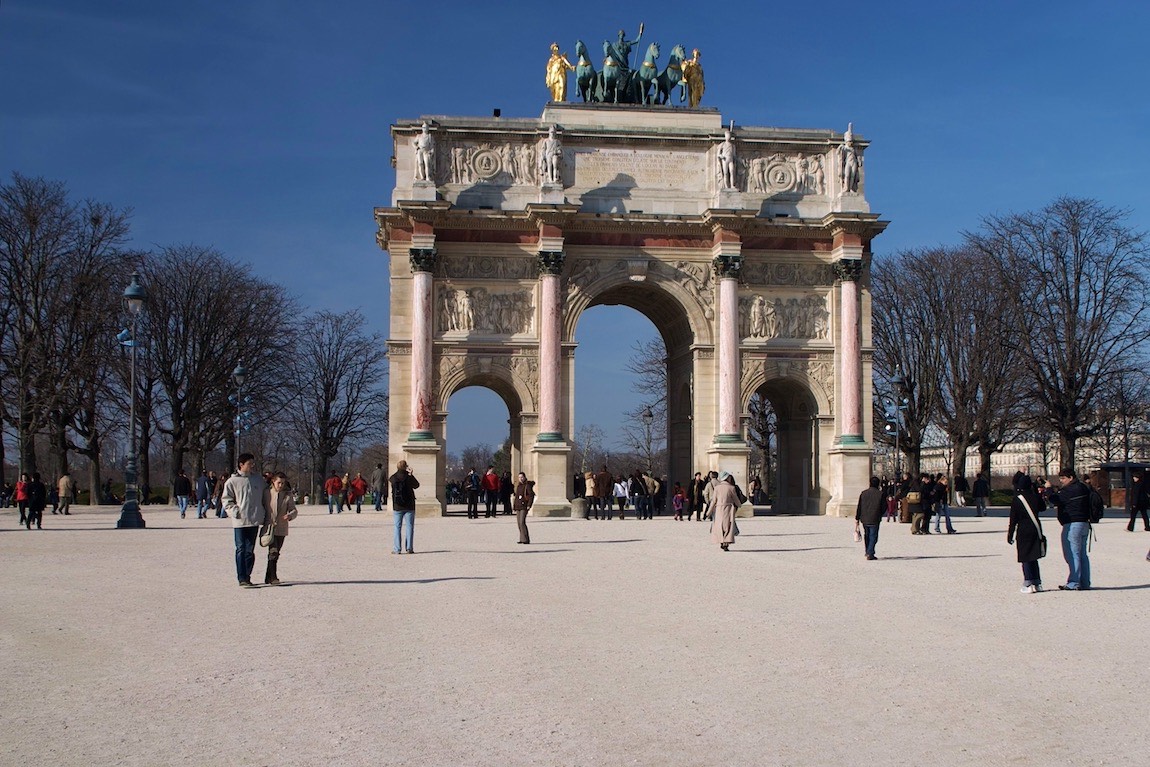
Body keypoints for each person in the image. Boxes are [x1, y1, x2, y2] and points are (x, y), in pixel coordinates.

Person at [1042, 468, 1092, 590]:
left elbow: (1055, 500)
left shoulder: (1070, 489)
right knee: (1082, 554)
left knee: (1071, 553)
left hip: (1072, 523)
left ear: (1071, 478)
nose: (1061, 481)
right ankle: (1084, 582)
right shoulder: (1083, 487)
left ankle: (1074, 582)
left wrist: (1048, 489)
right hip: (1085, 523)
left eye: (1063, 478)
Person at [223, 453, 268, 588]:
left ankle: (247, 575)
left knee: (250, 550)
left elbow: (267, 495)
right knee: (240, 548)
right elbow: (226, 499)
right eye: (249, 463)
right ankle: (241, 577)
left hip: (254, 519)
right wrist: (234, 511)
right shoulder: (232, 481)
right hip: (240, 520)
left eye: (253, 463)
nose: (252, 466)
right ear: (241, 465)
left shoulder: (258, 480)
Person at [1008, 476, 1047, 593]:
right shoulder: (1035, 497)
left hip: (1023, 530)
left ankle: (1028, 583)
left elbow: (1013, 519)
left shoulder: (1017, 499)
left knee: (1025, 556)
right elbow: (1043, 508)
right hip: (1036, 528)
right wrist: (1037, 493)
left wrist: (1010, 534)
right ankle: (1037, 582)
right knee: (1034, 556)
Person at [261, 471, 298, 586]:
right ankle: (273, 577)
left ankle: (268, 576)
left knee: (276, 553)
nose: (281, 485)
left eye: (283, 483)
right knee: (273, 551)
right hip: (269, 527)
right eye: (279, 483)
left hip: (282, 527)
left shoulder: (287, 494)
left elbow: (294, 509)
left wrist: (290, 515)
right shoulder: (266, 493)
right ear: (273, 481)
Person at [389, 460, 419, 554]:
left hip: (398, 505)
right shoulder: (409, 477)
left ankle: (397, 549)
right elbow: (417, 485)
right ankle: (409, 548)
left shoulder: (393, 478)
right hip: (409, 505)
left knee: (397, 527)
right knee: (409, 527)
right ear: (406, 467)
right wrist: (411, 474)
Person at [855, 476, 884, 560]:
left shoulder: (863, 493)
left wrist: (857, 517)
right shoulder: (880, 494)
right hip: (875, 517)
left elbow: (859, 506)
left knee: (867, 535)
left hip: (864, 517)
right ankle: (870, 552)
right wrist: (879, 513)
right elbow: (884, 507)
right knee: (873, 536)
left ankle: (867, 551)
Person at [710, 472, 739, 551]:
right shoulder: (731, 488)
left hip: (719, 508)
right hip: (728, 508)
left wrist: (709, 511)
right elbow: (736, 499)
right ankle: (726, 543)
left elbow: (713, 501)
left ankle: (721, 541)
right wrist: (739, 505)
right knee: (728, 526)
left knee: (719, 525)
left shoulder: (717, 488)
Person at [513, 471, 535, 544]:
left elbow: (531, 496)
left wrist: (529, 505)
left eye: (522, 477)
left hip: (524, 506)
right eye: (519, 477)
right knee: (519, 523)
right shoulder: (518, 486)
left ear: (525, 477)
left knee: (522, 522)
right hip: (518, 506)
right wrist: (514, 506)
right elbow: (516, 497)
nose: (520, 479)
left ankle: (526, 539)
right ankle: (522, 538)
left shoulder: (527, 485)